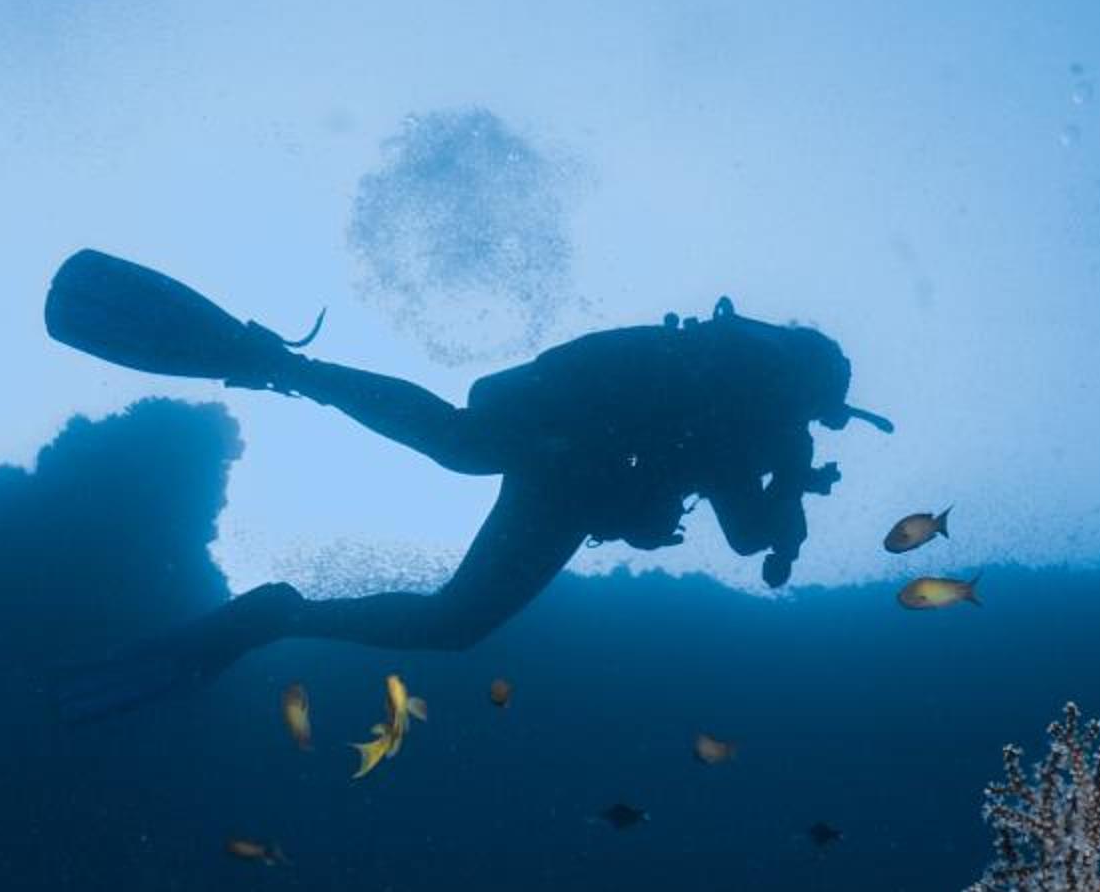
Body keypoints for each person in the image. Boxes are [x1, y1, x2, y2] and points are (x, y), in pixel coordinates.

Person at [44, 250, 886, 717]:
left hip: (564, 438)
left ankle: (279, 369)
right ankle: (284, 614)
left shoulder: (734, 370)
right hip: (578, 456)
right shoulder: (766, 407)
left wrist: (782, 494)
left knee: (460, 453)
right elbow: (744, 529)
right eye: (823, 410)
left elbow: (686, 461)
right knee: (456, 612)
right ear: (816, 391)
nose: (814, 423)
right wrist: (792, 510)